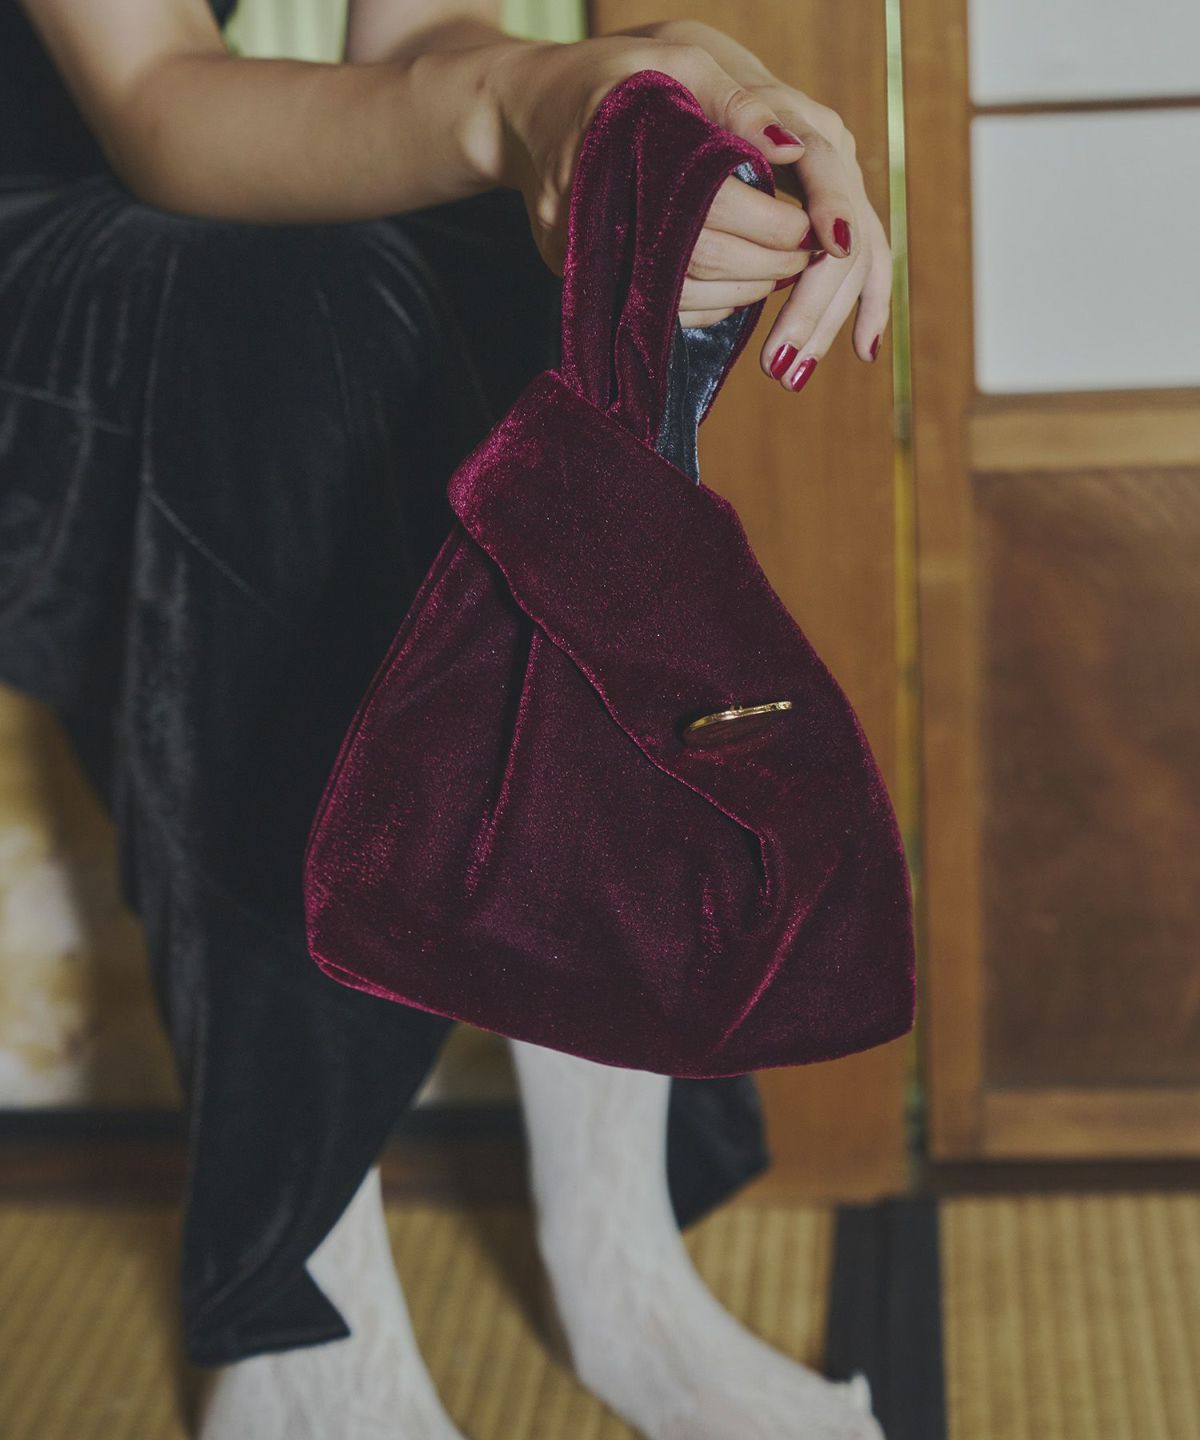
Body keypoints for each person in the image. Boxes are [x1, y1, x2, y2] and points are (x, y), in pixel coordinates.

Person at [0, 3, 893, 1436]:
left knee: (523, 264)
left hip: (158, 218)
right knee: (285, 321)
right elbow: (158, 100)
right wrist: (510, 106)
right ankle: (302, 1309)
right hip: (63, 216)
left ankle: (619, 1256)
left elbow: (415, 32)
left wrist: (628, 105)